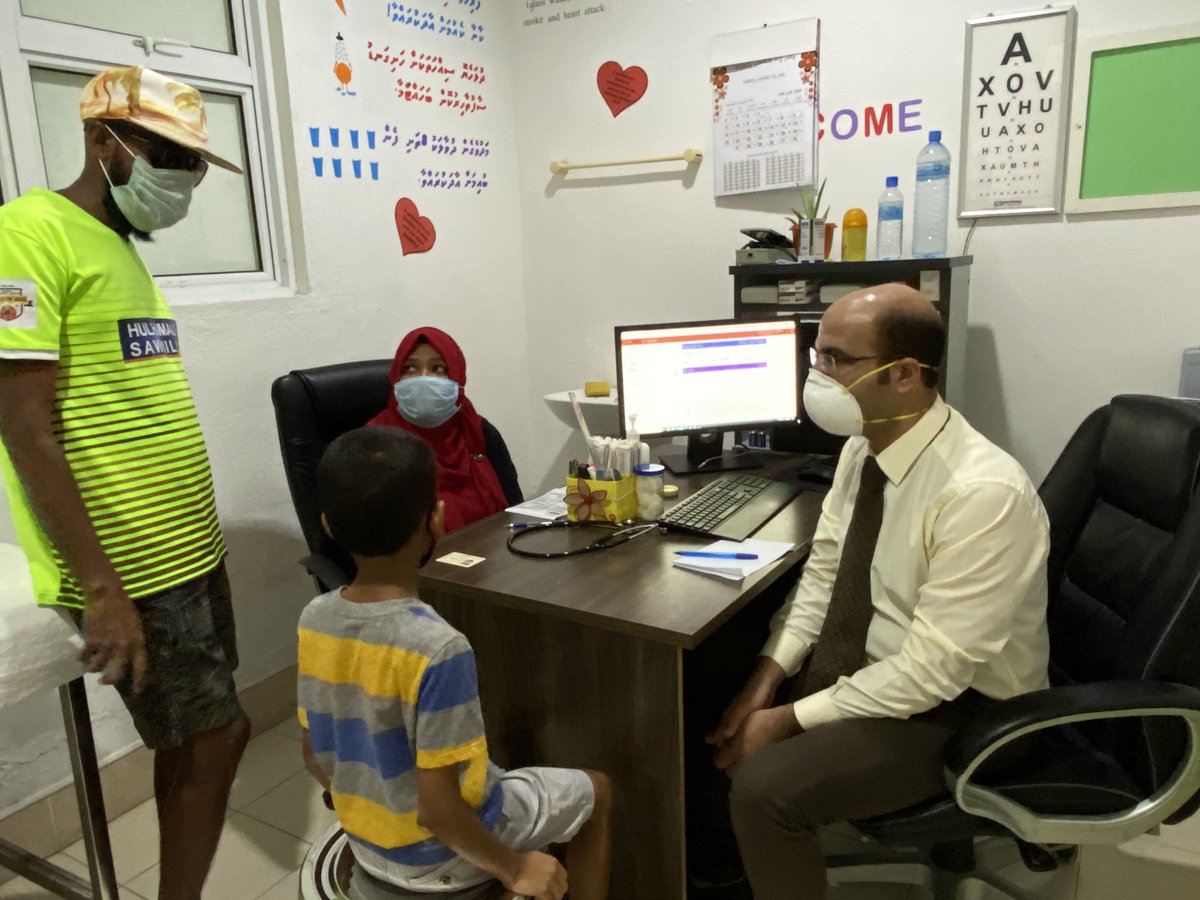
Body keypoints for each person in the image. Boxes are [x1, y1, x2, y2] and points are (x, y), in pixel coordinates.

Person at [704, 284, 1050, 900]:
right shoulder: (864, 448)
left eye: (838, 359)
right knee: (710, 685)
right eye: (817, 357)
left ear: (908, 374)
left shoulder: (982, 493)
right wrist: (762, 683)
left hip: (962, 709)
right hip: (877, 665)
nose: (819, 376)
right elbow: (827, 575)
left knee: (767, 792)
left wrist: (785, 719)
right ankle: (723, 872)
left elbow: (932, 673)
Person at [0, 66, 250, 899]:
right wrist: (101, 587)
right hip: (132, 566)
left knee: (192, 740)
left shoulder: (122, 250)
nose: (186, 176)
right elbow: (25, 423)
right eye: (168, 152)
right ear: (101, 140)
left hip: (187, 548)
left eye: (195, 161)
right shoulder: (30, 228)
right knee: (219, 738)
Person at [298, 427, 612, 900]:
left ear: (327, 525)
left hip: (367, 844)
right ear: (437, 521)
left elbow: (314, 755)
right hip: (442, 857)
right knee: (598, 790)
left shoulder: (314, 618)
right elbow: (439, 811)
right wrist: (514, 868)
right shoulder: (439, 647)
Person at [368, 327, 522, 533]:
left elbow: (516, 509)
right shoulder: (373, 443)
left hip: (493, 555)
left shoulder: (479, 432)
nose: (423, 378)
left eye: (438, 368)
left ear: (457, 377)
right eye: (410, 368)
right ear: (395, 376)